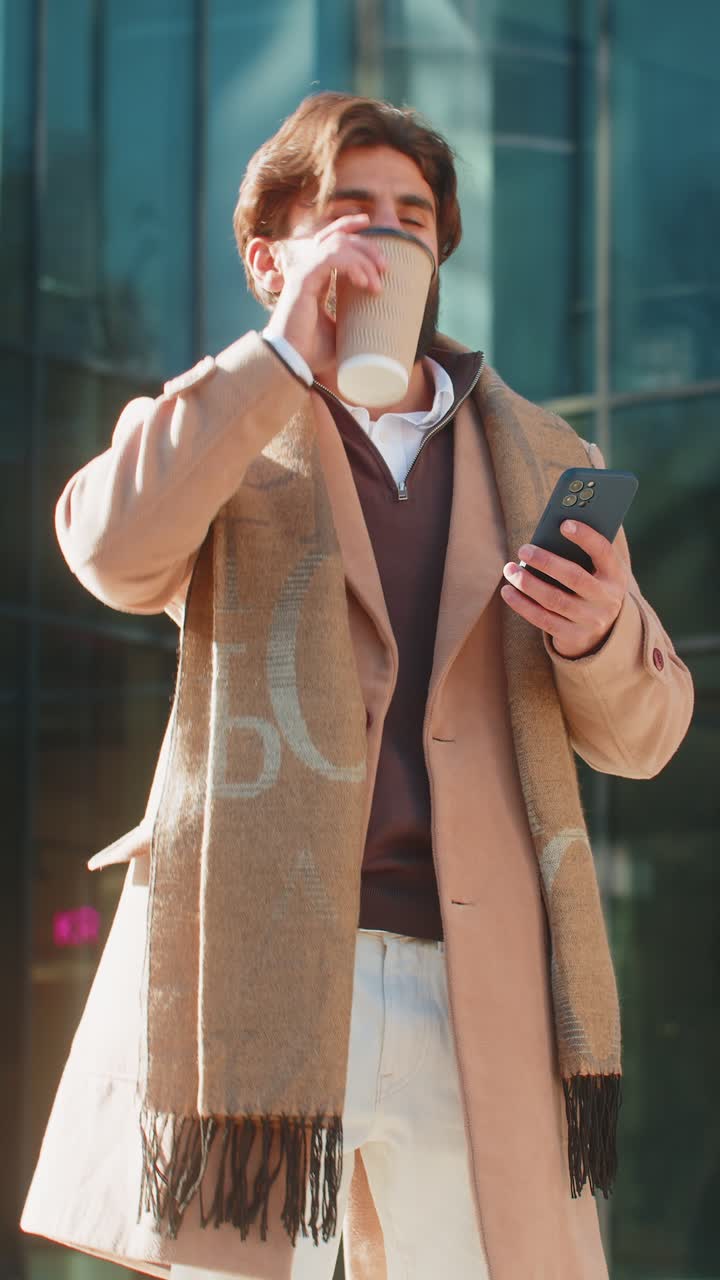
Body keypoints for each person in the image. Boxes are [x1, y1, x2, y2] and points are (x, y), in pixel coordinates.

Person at [20, 92, 693, 1280]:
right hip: (268, 961)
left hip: (477, 977)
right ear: (269, 253)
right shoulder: (217, 423)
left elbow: (646, 736)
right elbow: (112, 551)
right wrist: (282, 351)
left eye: (413, 218)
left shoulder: (550, 457)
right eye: (351, 212)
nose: (387, 239)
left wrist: (598, 637)